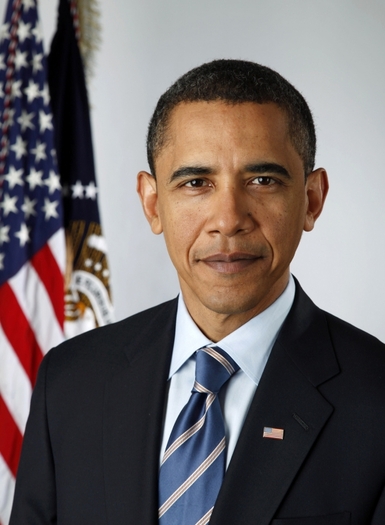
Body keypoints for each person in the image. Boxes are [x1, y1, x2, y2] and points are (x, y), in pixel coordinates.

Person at [10, 59, 385, 525]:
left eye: (262, 180)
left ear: (311, 199)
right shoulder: (69, 385)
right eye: (196, 183)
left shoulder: (377, 402)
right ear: (152, 204)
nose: (228, 218)